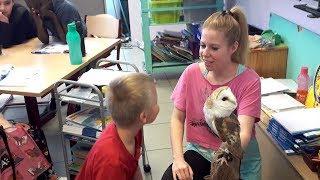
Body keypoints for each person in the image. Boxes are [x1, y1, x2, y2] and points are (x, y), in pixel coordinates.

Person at [162, 6, 262, 180]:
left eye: (214, 48)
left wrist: (223, 164)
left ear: (233, 47)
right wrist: (178, 159)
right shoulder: (191, 73)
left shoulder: (249, 80)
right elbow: (177, 118)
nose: (204, 53)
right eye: (202, 45)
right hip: (201, 151)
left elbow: (243, 133)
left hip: (239, 158)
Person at [76, 73, 160, 180]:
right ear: (143, 116)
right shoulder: (112, 162)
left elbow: (133, 166)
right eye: (156, 102)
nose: (158, 105)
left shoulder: (132, 129)